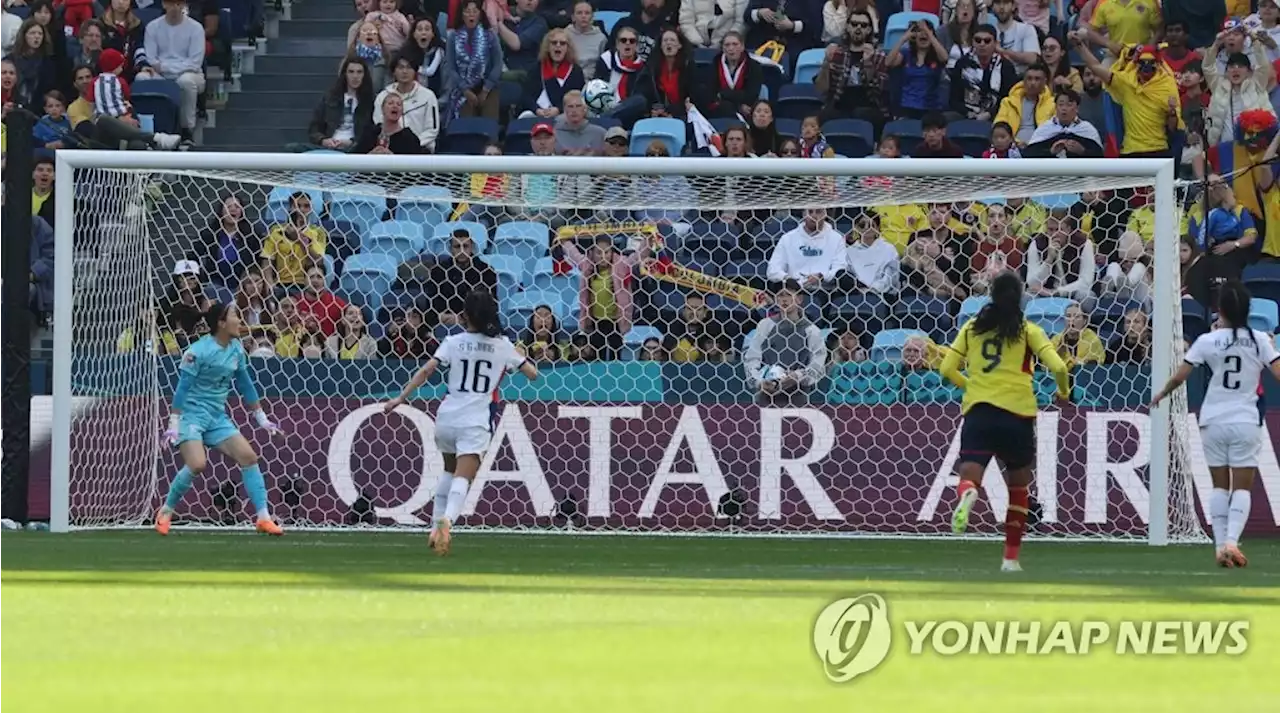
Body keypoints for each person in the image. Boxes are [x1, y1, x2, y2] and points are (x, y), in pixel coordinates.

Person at [382, 289, 539, 555]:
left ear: (464, 316)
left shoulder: (454, 342)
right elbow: (532, 374)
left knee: (447, 470)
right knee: (463, 478)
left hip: (447, 416)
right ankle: (447, 522)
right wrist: (519, 354)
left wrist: (400, 398)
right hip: (476, 419)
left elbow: (427, 370)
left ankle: (434, 529)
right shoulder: (502, 345)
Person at [940, 270, 1071, 572]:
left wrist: (971, 386)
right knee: (1018, 490)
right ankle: (1010, 559)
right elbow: (1060, 367)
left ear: (991, 296)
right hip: (1018, 415)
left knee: (969, 475)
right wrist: (1063, 394)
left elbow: (947, 368)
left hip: (980, 412)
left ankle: (968, 493)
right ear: (1020, 297)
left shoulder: (972, 328)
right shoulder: (1029, 330)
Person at [1150, 281, 1280, 568]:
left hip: (1213, 419)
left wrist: (1162, 393)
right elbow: (1278, 372)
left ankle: (1220, 547)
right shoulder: (1260, 339)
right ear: (1248, 310)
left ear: (1220, 311)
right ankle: (1232, 541)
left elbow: (1181, 376)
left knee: (1219, 486)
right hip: (1245, 419)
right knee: (1242, 487)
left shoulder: (1208, 341)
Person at [156, 302, 285, 537]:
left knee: (249, 457)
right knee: (197, 464)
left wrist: (262, 419)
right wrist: (173, 424)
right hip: (191, 416)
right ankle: (166, 511)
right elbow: (182, 389)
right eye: (236, 316)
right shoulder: (197, 352)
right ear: (221, 323)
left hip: (216, 417)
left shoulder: (236, 348)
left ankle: (263, 517)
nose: (240, 321)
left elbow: (245, 384)